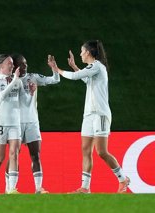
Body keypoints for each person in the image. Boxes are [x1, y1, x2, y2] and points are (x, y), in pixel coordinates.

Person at [48, 40, 130, 193]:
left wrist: (56, 69)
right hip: (89, 115)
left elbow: (74, 77)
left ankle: (123, 179)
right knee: (86, 150)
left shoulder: (97, 66)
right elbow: (86, 79)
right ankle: (85, 188)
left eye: (82, 51)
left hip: (100, 114)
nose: (80, 54)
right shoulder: (92, 69)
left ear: (89, 52)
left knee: (101, 151)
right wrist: (74, 66)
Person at [4, 53, 60, 194]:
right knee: (13, 155)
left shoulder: (32, 77)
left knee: (35, 155)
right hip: (15, 123)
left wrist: (54, 69)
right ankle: (9, 187)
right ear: (15, 66)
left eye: (26, 63)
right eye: (22, 64)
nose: (25, 66)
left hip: (32, 122)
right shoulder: (9, 80)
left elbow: (55, 80)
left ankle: (38, 188)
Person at [0, 54, 35, 194]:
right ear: (1, 65)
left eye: (13, 64)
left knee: (14, 154)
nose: (12, 66)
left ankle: (11, 189)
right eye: (9, 63)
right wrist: (14, 81)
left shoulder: (17, 81)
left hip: (14, 123)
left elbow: (24, 103)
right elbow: (1, 96)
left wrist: (31, 94)